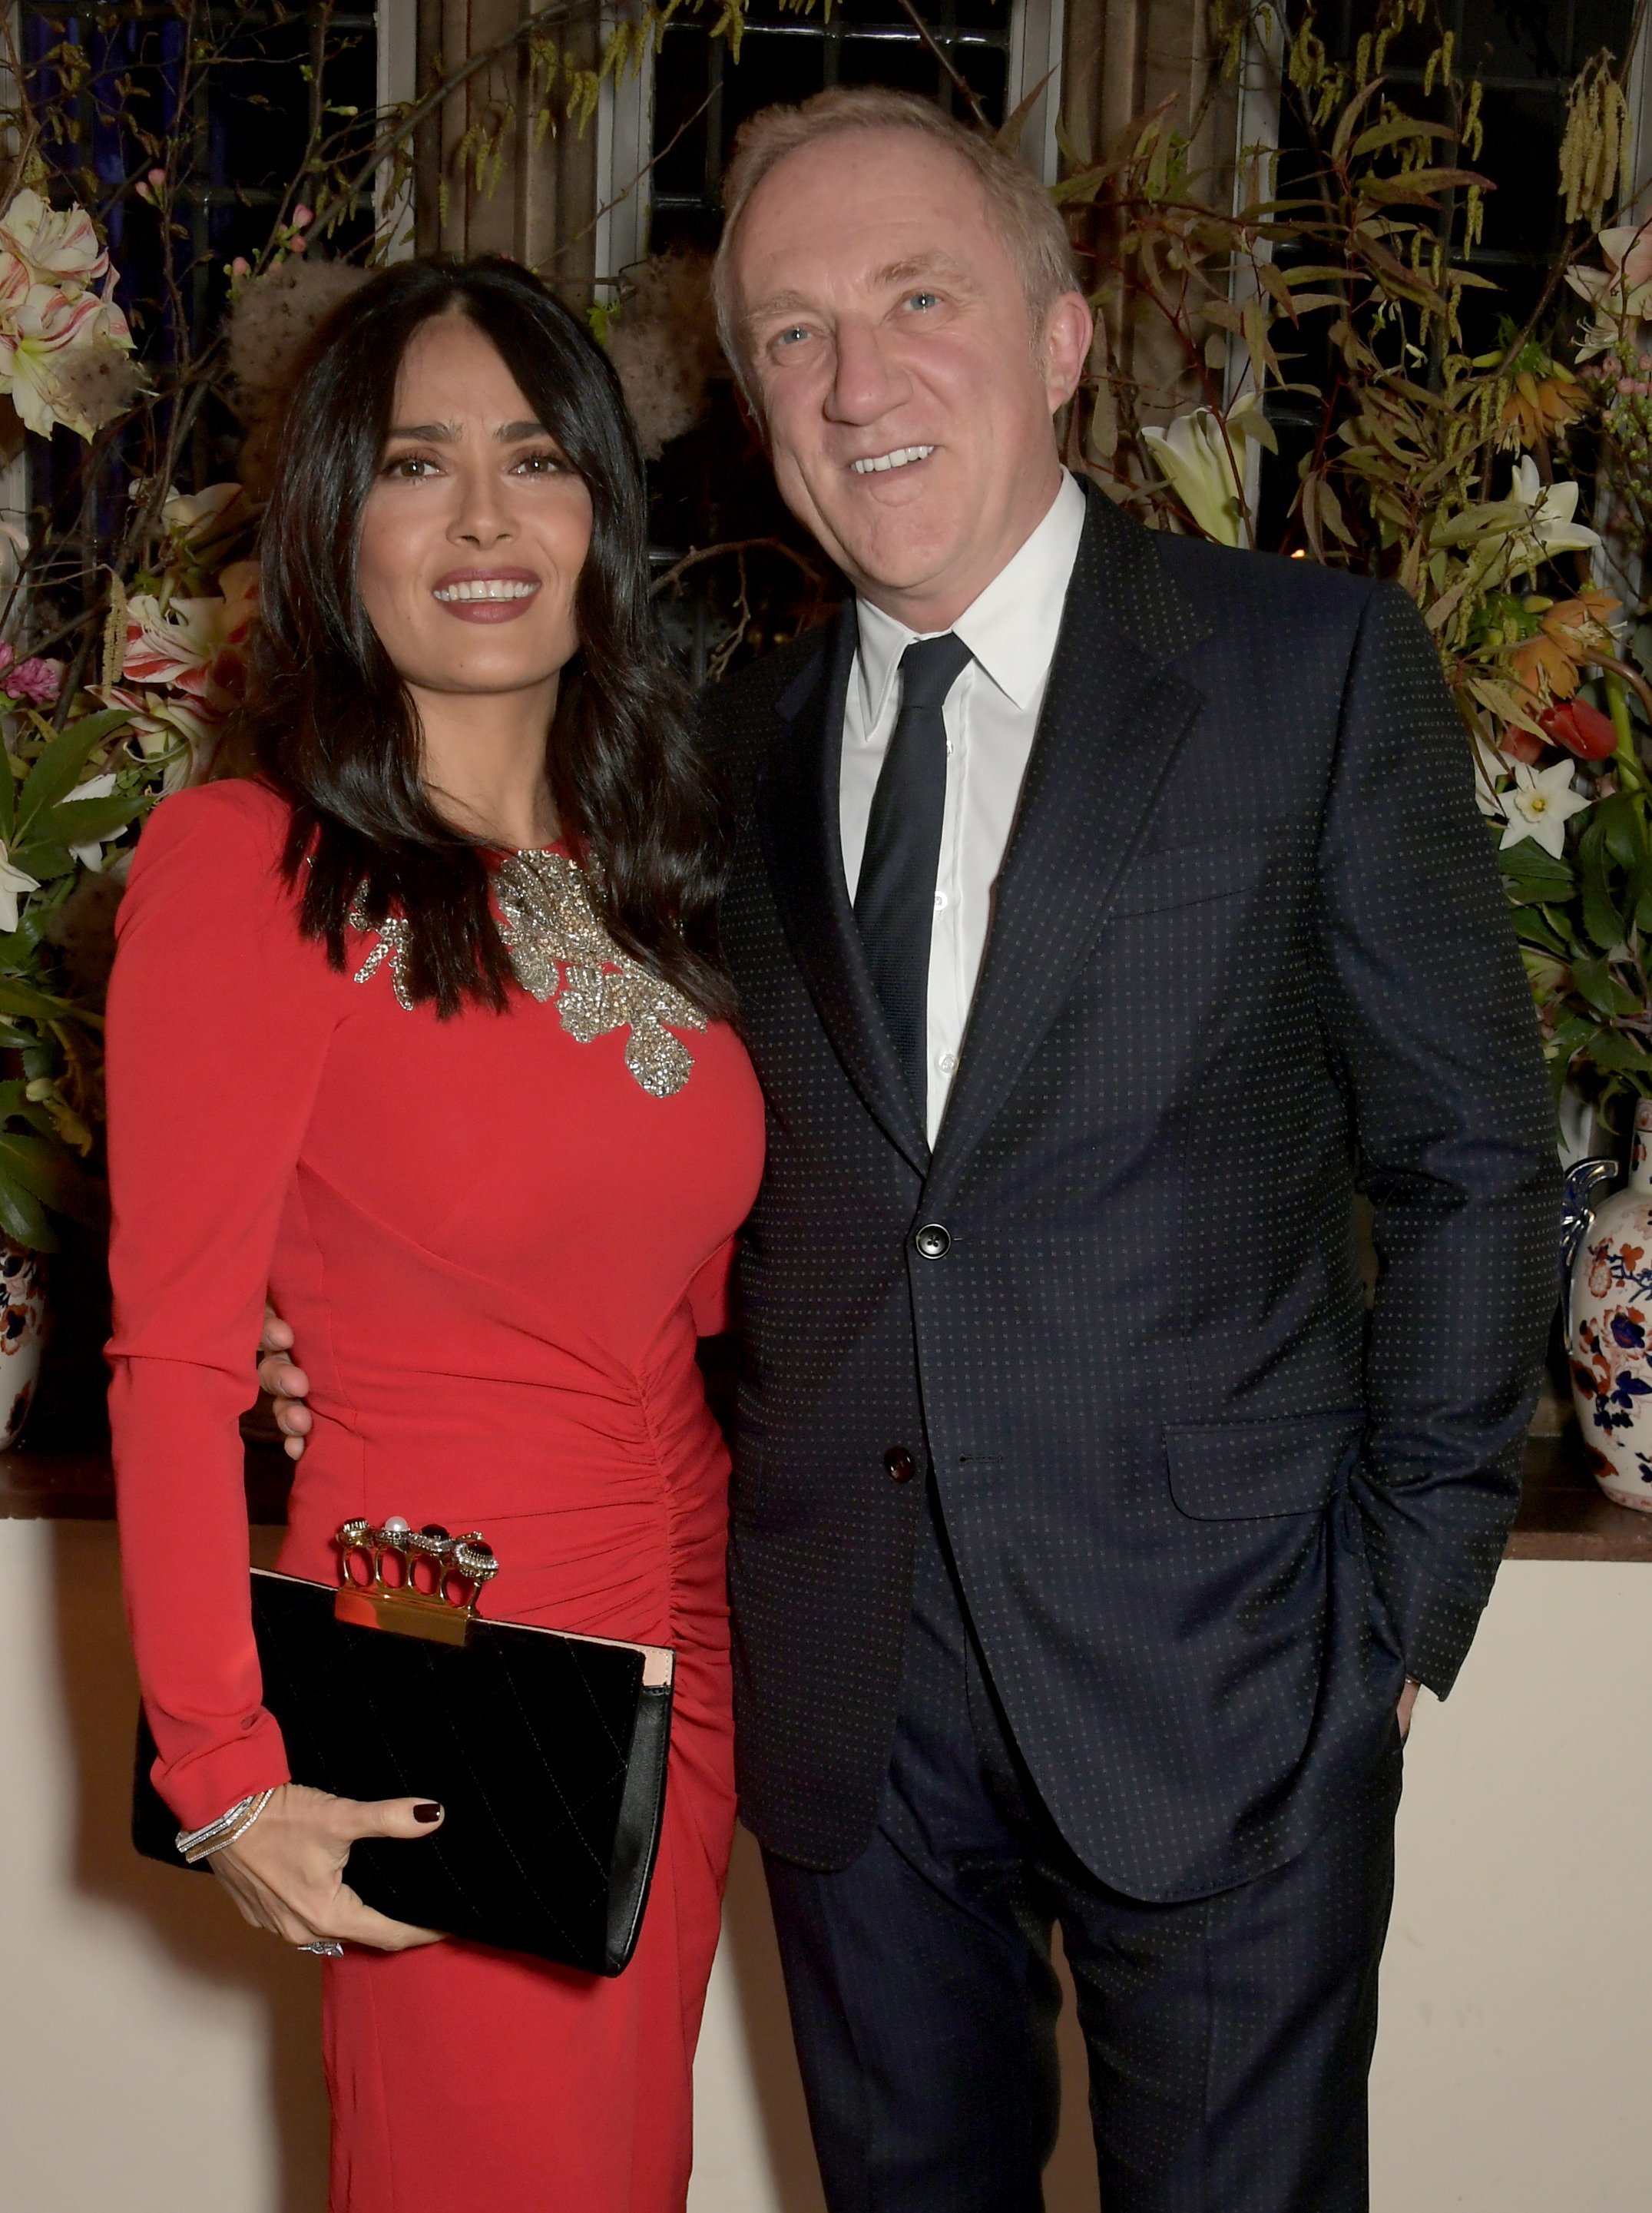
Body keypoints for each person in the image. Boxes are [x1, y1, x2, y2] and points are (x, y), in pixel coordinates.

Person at [263, 88, 1560, 2213]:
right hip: (848, 1702)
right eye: (788, 331)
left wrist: (1400, 1613)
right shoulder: (710, 754)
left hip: (1231, 1684)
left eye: (915, 299)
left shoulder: (1302, 672)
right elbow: (597, 1177)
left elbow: (1480, 1160)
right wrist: (339, 1339)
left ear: (1059, 342)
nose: (854, 381)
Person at [108, 254, 764, 2213]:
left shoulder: (649, 870)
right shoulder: (251, 866)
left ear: (599, 517)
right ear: (336, 524)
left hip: (691, 1637)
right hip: (452, 1651)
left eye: (535, 456)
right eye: (415, 462)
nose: (483, 516)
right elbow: (174, 1357)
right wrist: (219, 1767)